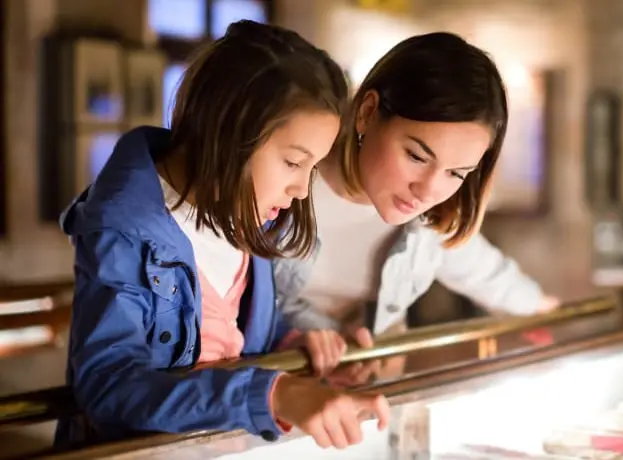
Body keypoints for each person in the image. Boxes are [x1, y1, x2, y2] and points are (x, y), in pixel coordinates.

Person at [55, 21, 389, 451]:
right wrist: (274, 394)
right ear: (229, 132)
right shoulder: (124, 231)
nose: (302, 190)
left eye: (312, 168)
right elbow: (110, 385)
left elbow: (230, 330)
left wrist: (295, 346)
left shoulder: (248, 214)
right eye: (293, 162)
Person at [275, 32, 560, 369]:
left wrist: (546, 312)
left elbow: (485, 272)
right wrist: (318, 337)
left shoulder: (432, 221)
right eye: (416, 156)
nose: (427, 191)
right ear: (367, 112)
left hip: (362, 381)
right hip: (273, 378)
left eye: (456, 173)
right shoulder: (281, 190)